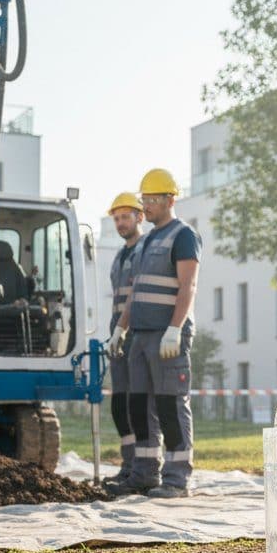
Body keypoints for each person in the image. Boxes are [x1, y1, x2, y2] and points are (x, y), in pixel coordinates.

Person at [106, 168, 201, 498]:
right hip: (140, 337)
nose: (146, 205)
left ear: (170, 200)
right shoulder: (145, 242)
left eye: (152, 199)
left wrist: (175, 329)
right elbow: (135, 291)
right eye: (144, 198)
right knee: (139, 407)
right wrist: (121, 329)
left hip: (167, 337)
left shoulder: (183, 235)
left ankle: (176, 479)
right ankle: (144, 474)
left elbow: (188, 285)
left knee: (170, 405)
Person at [103, 192, 144, 486]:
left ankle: (142, 466)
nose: (120, 223)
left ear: (139, 217)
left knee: (140, 405)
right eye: (116, 218)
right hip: (118, 338)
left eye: (125, 216)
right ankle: (128, 463)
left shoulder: (146, 251)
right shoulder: (119, 256)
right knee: (120, 405)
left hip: (138, 336)